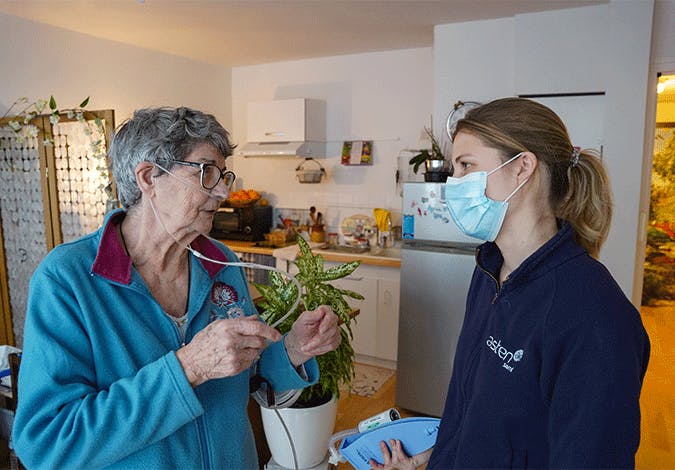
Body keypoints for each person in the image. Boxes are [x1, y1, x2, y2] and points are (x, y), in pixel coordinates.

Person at [12, 107, 342, 469]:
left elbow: (246, 373)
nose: (223, 191)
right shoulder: (68, 279)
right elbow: (46, 442)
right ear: (149, 177)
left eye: (224, 175)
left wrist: (292, 349)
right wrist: (187, 368)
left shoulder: (220, 263)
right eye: (206, 173)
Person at [372, 97, 650, 469]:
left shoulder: (596, 317)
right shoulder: (490, 271)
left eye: (466, 165)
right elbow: (473, 410)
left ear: (522, 168)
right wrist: (438, 458)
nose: (453, 184)